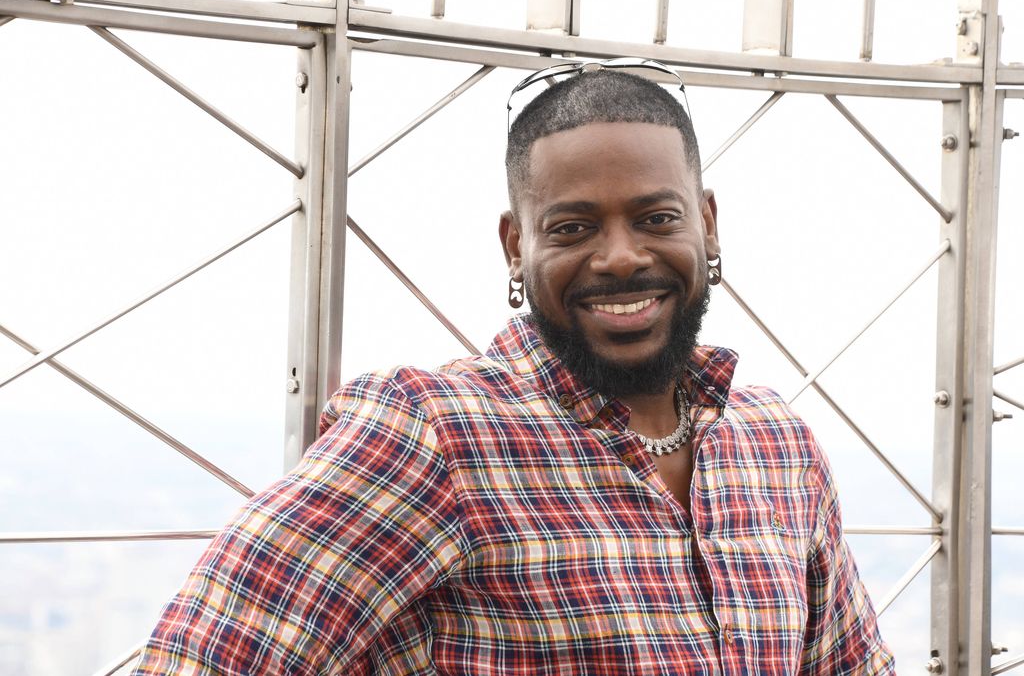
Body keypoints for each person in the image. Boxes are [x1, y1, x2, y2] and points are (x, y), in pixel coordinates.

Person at [133, 62, 894, 674]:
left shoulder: (776, 445)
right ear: (516, 247)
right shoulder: (433, 433)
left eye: (657, 218)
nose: (623, 255)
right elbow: (202, 660)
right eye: (573, 226)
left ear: (708, 222)